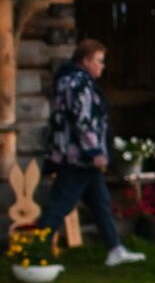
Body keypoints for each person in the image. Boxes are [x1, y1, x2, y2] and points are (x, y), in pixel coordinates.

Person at [35, 39, 144, 266]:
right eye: (99, 61)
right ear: (86, 61)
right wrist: (94, 151)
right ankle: (35, 252)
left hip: (75, 156)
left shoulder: (67, 80)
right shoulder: (79, 83)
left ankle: (115, 249)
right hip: (78, 158)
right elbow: (83, 122)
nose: (102, 66)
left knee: (101, 202)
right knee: (60, 205)